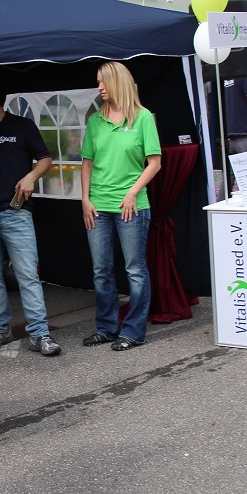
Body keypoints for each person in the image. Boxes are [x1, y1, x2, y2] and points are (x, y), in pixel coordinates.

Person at [0, 79, 59, 356]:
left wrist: (31, 177)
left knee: (27, 275)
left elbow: (45, 158)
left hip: (16, 214)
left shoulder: (22, 126)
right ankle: (0, 330)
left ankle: (40, 333)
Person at [81, 61, 162, 352]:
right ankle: (106, 328)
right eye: (98, 82)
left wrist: (132, 193)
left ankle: (133, 332)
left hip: (132, 206)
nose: (100, 87)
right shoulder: (95, 121)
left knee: (134, 269)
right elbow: (87, 162)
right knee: (101, 270)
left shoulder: (143, 118)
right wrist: (85, 198)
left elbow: (155, 163)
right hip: (98, 206)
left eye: (103, 82)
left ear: (118, 83)